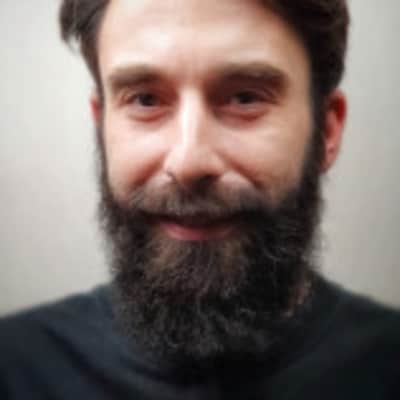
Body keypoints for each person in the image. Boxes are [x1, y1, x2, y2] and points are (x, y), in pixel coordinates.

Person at [1, 0, 399, 398]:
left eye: (245, 97)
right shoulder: (14, 369)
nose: (189, 163)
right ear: (101, 125)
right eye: (145, 100)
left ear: (327, 131)